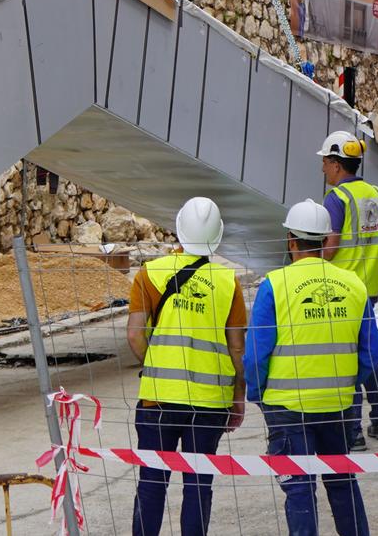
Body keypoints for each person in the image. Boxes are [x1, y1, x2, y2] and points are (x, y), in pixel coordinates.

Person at [245, 200, 378, 536]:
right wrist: (346, 383)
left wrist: (259, 394)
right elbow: (371, 353)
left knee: (300, 487)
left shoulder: (274, 286)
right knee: (342, 482)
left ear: (291, 240)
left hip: (287, 407)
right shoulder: (354, 285)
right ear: (325, 241)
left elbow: (256, 355)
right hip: (338, 405)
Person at [126, 197, 246, 536]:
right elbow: (237, 347)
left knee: (152, 481)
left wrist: (155, 365)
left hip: (158, 401)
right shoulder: (228, 282)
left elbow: (135, 335)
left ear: (178, 231)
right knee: (197, 485)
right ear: (217, 236)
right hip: (209, 403)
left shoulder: (150, 274)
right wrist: (239, 396)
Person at [318, 131, 378, 445]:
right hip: (369, 289)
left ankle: (353, 431)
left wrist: (309, 260)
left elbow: (331, 247)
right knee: (367, 354)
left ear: (336, 164)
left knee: (346, 359)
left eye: (325, 162)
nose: (323, 169)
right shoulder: (376, 193)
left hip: (342, 291)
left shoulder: (336, 199)